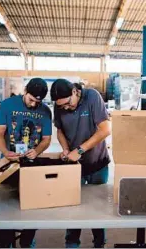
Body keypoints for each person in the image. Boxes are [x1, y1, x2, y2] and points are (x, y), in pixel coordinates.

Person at [50, 79, 111, 248]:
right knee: (73, 204)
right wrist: (65, 149)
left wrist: (80, 150)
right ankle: (71, 242)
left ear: (75, 92)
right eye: (61, 106)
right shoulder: (60, 104)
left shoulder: (92, 97)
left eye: (68, 103)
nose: (66, 108)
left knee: (97, 207)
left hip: (97, 162)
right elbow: (60, 130)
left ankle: (99, 243)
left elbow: (105, 130)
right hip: (74, 166)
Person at [0, 78, 52, 248]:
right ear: (25, 91)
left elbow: (46, 139)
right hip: (9, 164)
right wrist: (6, 152)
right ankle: (5, 241)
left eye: (38, 102)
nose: (34, 105)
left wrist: (37, 151)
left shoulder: (45, 111)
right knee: (6, 205)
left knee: (31, 204)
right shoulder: (7, 105)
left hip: (31, 166)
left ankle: (27, 240)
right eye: (31, 100)